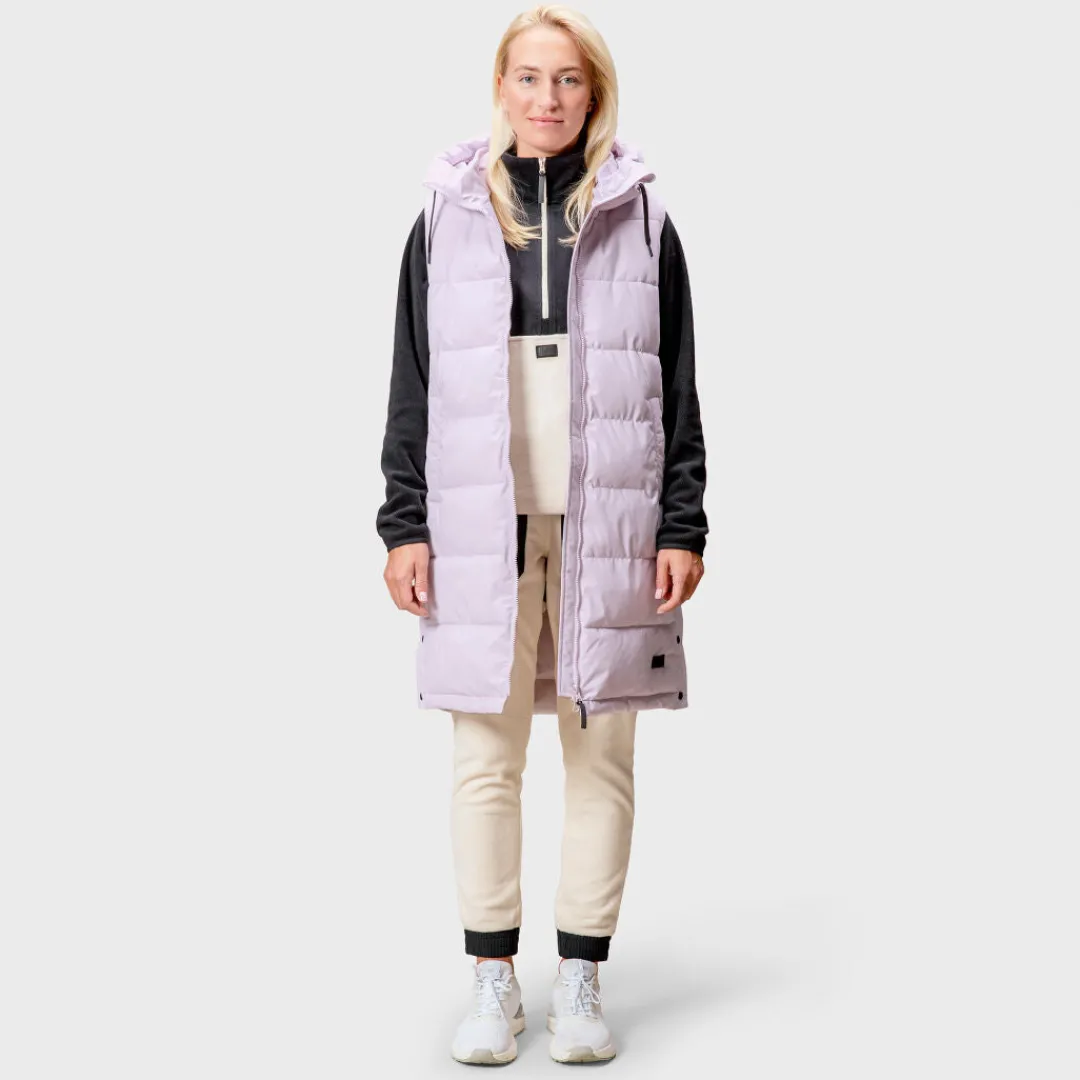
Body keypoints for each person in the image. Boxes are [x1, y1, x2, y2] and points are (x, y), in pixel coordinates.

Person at [376, 4, 707, 1065]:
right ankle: (491, 982)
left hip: (613, 524)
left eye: (567, 79)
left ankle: (579, 980)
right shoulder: (446, 217)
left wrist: (682, 520)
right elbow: (414, 381)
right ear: (501, 87)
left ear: (592, 91)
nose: (548, 98)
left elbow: (677, 386)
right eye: (529, 77)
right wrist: (404, 522)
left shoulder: (642, 219)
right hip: (481, 524)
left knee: (601, 752)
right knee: (486, 755)